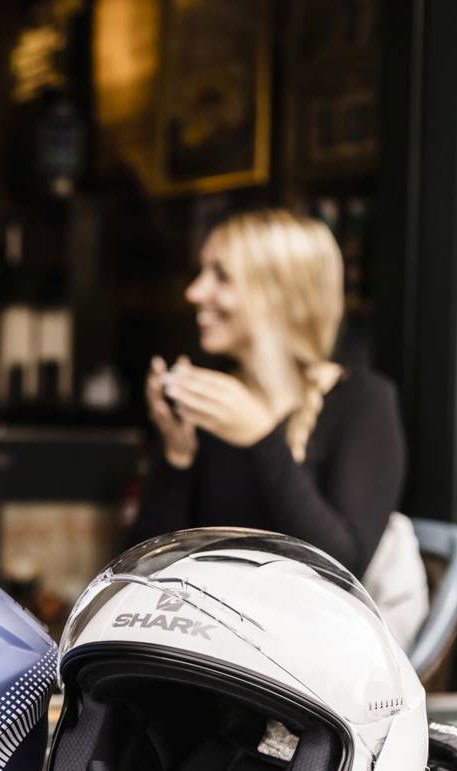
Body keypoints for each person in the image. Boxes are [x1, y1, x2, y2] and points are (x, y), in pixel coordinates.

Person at [129, 208, 410, 586]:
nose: (193, 292)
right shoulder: (214, 405)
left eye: (221, 276)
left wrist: (261, 438)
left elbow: (342, 569)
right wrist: (177, 454)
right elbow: (140, 574)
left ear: (280, 294)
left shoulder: (363, 403)